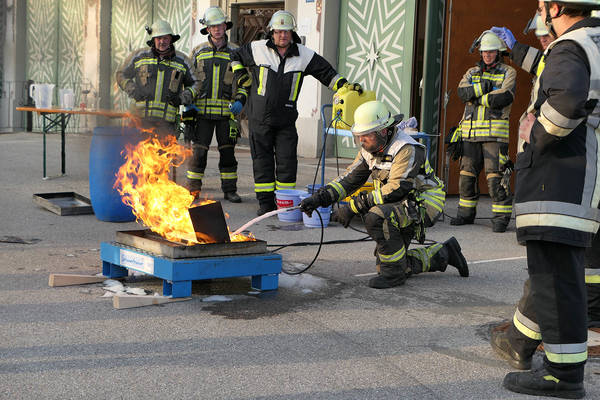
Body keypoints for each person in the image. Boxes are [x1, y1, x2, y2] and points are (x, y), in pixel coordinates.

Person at [489, 1, 600, 398]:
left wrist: (536, 139)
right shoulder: (594, 43)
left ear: (555, 7)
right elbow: (545, 67)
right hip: (587, 180)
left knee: (556, 278)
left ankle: (563, 375)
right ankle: (523, 343)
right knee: (561, 276)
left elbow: (565, 102)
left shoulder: (571, 47)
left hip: (560, 180)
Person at [300, 100, 469, 289]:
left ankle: (394, 276)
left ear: (383, 131)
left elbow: (397, 188)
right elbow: (348, 180)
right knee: (389, 263)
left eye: (366, 136)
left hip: (424, 202)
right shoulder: (370, 150)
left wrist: (352, 208)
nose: (361, 141)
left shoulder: (406, 148)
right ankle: (444, 253)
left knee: (376, 217)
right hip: (401, 203)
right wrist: (320, 198)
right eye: (358, 137)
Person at [230, 10, 363, 216]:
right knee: (262, 161)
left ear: (292, 33)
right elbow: (235, 55)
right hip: (259, 119)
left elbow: (326, 72)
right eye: (279, 32)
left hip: (285, 120)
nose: (283, 36)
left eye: (287, 32)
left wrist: (345, 86)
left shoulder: (304, 55)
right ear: (272, 32)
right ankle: (266, 205)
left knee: (287, 162)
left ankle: (285, 203)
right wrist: (241, 75)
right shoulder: (257, 49)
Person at [448, 30, 516, 233]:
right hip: (469, 134)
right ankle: (465, 214)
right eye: (484, 51)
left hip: (495, 135)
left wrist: (476, 96)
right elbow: (462, 93)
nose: (487, 55)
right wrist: (483, 89)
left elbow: (502, 98)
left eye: (491, 51)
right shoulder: (471, 72)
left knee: (495, 176)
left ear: (499, 52)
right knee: (466, 175)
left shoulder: (508, 72)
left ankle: (501, 219)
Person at [185, 7, 251, 203]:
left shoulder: (236, 52)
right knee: (198, 154)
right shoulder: (198, 51)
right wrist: (188, 108)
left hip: (227, 115)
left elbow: (245, 81)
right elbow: (189, 81)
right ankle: (193, 190)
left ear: (225, 26)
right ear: (208, 29)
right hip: (202, 114)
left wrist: (240, 100)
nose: (217, 29)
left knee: (228, 154)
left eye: (220, 25)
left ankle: (230, 190)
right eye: (213, 26)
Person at [116, 20, 199, 136]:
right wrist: (132, 89)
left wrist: (182, 98)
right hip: (140, 120)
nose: (162, 41)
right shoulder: (139, 57)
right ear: (153, 40)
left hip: (167, 123)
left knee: (164, 154)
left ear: (171, 39)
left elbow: (196, 83)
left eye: (165, 38)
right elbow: (121, 74)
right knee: (138, 153)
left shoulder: (183, 61)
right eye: (159, 38)